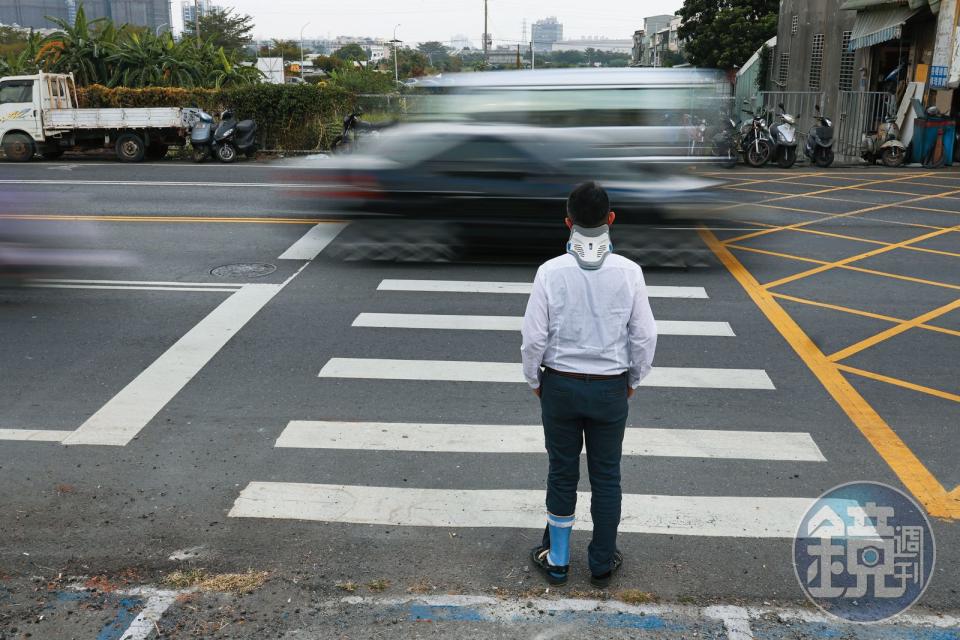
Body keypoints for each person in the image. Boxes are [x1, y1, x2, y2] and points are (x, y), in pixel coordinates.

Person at [520, 182, 657, 588]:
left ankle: (558, 560)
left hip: (559, 386)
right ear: (610, 220)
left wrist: (534, 381)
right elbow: (645, 337)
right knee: (607, 476)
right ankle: (600, 562)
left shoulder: (550, 272)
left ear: (568, 222)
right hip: (610, 388)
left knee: (561, 474)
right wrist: (632, 380)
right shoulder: (630, 273)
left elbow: (533, 339)